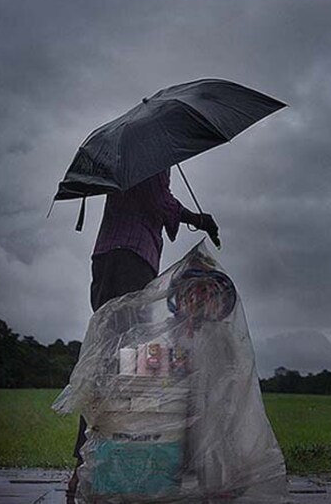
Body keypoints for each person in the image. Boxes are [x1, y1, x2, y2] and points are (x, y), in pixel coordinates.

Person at [67, 167, 219, 499]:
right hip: (130, 257)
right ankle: (87, 465)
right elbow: (157, 200)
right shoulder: (152, 158)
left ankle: (90, 463)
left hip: (114, 256)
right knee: (117, 364)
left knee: (115, 363)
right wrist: (197, 218)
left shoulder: (133, 155)